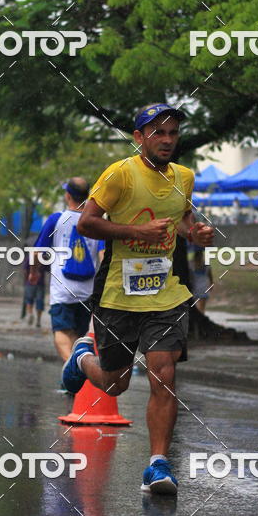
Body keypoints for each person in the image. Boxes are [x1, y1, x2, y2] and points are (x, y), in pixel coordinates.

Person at [62, 104, 214, 495]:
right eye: (158, 132)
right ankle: (83, 356)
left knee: (164, 372)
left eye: (173, 133)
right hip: (118, 292)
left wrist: (193, 233)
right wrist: (135, 232)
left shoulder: (185, 177)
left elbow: (179, 221)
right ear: (139, 137)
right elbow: (86, 222)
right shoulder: (120, 174)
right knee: (115, 386)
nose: (166, 140)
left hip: (164, 293)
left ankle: (158, 465)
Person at [33, 178, 103, 363]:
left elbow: (39, 252)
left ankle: (78, 371)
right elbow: (104, 256)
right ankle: (77, 380)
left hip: (62, 290)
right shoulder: (96, 222)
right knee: (79, 336)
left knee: (62, 334)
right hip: (88, 291)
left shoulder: (56, 220)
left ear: (68, 196)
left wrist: (34, 272)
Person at [22, 249, 45, 327]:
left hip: (30, 282)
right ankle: (38, 319)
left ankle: (30, 314)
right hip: (40, 283)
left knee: (29, 300)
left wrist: (26, 280)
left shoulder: (29, 257)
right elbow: (48, 269)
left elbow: (25, 270)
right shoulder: (43, 257)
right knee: (40, 301)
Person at [190, 247, 213, 313]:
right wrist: (211, 285)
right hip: (203, 289)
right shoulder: (206, 265)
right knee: (202, 309)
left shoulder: (191, 265)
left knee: (196, 308)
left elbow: (190, 277)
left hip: (195, 289)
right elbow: (210, 277)